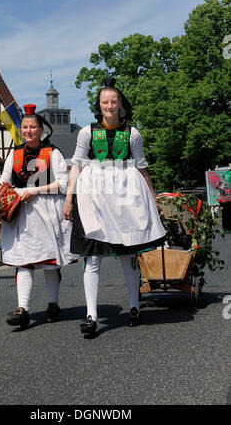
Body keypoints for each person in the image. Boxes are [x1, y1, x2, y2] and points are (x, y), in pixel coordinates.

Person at [63, 78, 166, 334]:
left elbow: (142, 168)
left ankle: (134, 306)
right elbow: (76, 165)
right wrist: (68, 198)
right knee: (93, 257)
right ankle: (91, 315)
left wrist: (153, 200)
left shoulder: (133, 134)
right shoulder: (87, 133)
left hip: (124, 199)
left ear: (120, 104)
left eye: (114, 101)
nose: (109, 106)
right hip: (94, 199)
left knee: (128, 256)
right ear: (99, 106)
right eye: (105, 102)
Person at [0, 104, 75, 329]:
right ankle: (22, 308)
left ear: (41, 129)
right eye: (25, 127)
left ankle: (52, 304)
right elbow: (4, 181)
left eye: (33, 126)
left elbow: (64, 183)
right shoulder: (13, 154)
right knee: (23, 260)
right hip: (20, 214)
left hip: (47, 211)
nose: (28, 131)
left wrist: (34, 190)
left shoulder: (53, 153)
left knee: (51, 261)